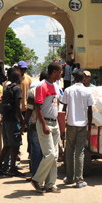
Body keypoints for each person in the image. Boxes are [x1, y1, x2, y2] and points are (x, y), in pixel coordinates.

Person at [31, 62, 63, 194]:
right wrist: (44, 124)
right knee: (50, 154)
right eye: (60, 71)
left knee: (55, 156)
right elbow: (37, 108)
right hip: (45, 123)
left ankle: (51, 184)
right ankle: (37, 179)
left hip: (54, 123)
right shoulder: (42, 86)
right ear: (54, 72)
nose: (62, 74)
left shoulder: (55, 85)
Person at [61, 70, 94, 187]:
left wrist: (62, 126)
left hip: (70, 124)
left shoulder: (68, 90)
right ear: (84, 79)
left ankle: (69, 178)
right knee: (80, 151)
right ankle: (79, 180)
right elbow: (90, 110)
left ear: (74, 79)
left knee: (69, 150)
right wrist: (89, 128)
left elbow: (63, 108)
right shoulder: (87, 91)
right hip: (83, 125)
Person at [0, 67, 25, 177]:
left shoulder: (7, 88)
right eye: (21, 76)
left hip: (6, 119)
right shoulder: (17, 89)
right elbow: (17, 106)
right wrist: (22, 121)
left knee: (7, 144)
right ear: (18, 77)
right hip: (13, 120)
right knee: (15, 144)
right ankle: (12, 169)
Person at [24, 71, 47, 176]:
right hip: (48, 125)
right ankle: (43, 174)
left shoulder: (33, 91)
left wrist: (24, 123)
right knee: (45, 151)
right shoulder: (53, 90)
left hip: (34, 124)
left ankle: (35, 174)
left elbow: (29, 110)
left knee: (35, 151)